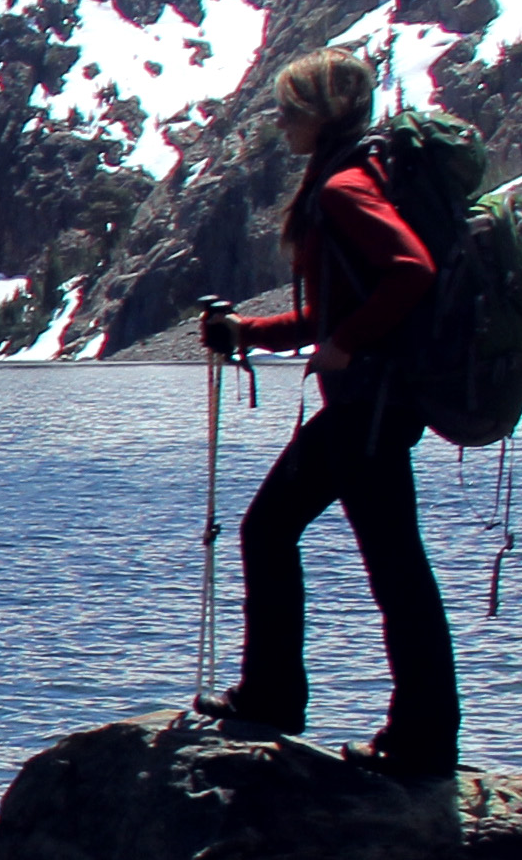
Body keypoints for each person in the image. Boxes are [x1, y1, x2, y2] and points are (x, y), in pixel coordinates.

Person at [196, 47, 460, 781]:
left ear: (322, 113)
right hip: (382, 403)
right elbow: (331, 311)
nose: (280, 123)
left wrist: (345, 344)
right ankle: (423, 736)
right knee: (396, 567)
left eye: (288, 109)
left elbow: (411, 272)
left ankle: (277, 698)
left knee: (271, 530)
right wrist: (251, 333)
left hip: (367, 406)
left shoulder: (343, 187)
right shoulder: (364, 175)